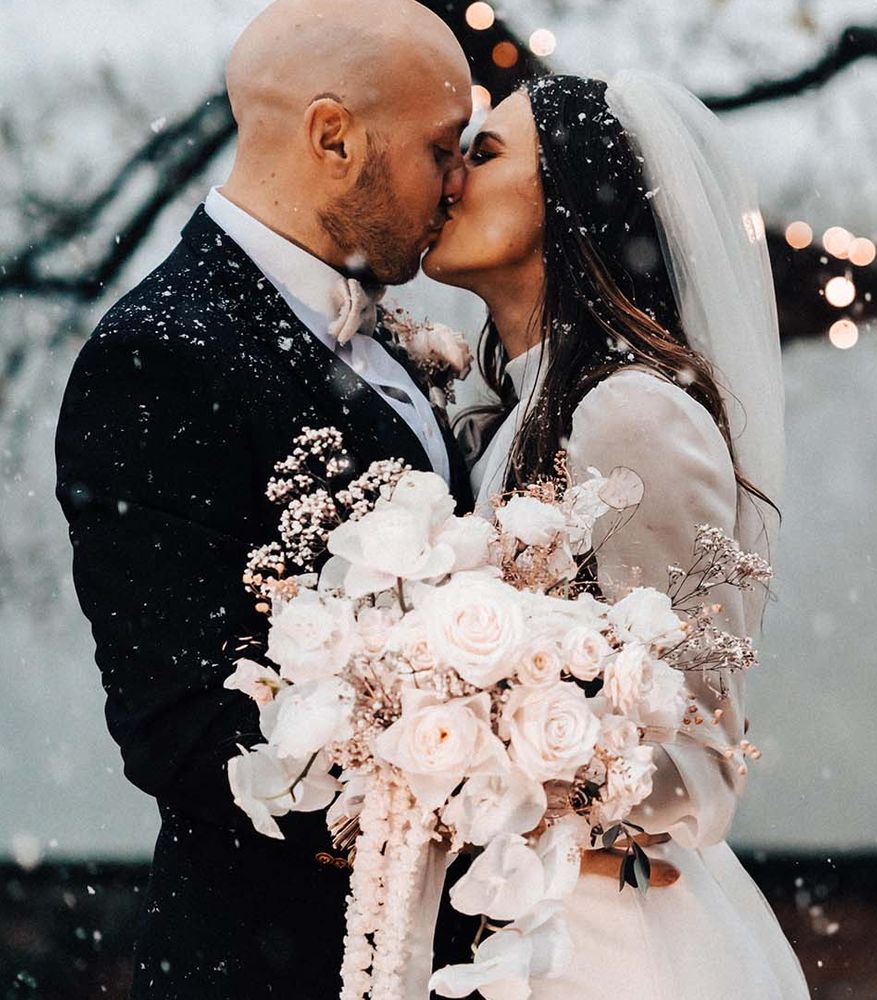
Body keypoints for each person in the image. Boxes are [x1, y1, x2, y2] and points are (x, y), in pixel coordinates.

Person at [54, 0, 477, 996]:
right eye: (441, 149)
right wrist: (455, 782)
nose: (459, 182)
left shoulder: (382, 325)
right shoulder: (162, 351)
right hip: (271, 952)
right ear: (333, 135)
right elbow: (180, 721)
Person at [423, 73, 810, 997]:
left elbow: (701, 764)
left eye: (484, 154)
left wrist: (487, 748)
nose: (450, 180)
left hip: (601, 941)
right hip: (510, 922)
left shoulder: (629, 413)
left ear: (573, 194)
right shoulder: (501, 414)